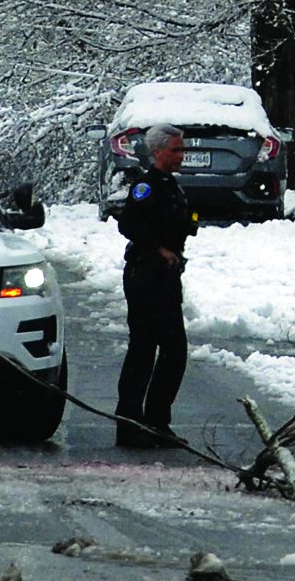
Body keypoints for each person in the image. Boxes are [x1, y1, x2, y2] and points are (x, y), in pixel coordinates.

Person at [113, 122, 195, 448]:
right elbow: (128, 223)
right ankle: (130, 424)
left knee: (174, 352)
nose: (181, 156)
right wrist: (158, 248)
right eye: (175, 150)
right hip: (146, 276)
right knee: (143, 350)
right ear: (158, 151)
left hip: (167, 278)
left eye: (182, 149)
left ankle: (158, 421)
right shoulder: (146, 185)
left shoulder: (171, 186)